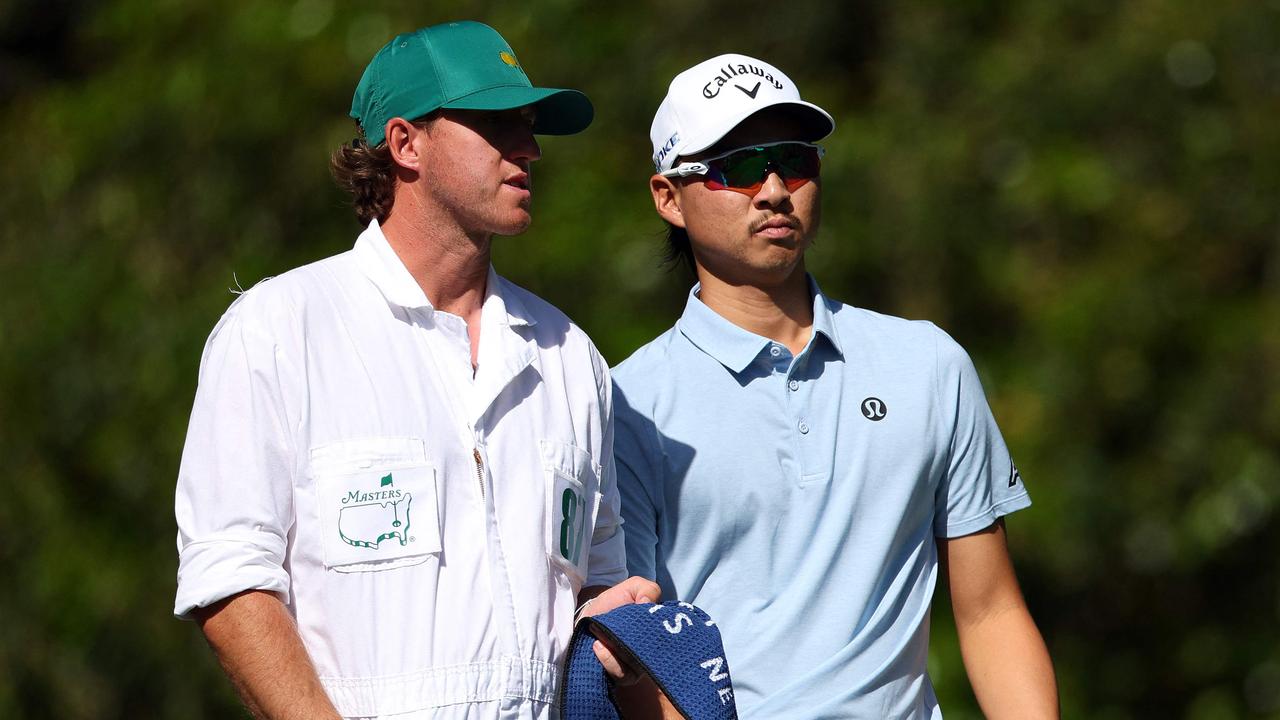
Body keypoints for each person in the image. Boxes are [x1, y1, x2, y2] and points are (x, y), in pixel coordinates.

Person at [173, 21, 658, 720]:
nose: (529, 148)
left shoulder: (570, 356)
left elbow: (597, 583)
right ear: (405, 144)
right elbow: (231, 581)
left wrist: (612, 619)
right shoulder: (279, 329)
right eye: (497, 124)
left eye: (529, 125)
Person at [612, 53, 1059, 718]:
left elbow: (991, 609)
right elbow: (631, 656)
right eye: (736, 169)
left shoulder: (928, 363)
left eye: (793, 161)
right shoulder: (625, 404)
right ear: (668, 197)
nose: (772, 191)